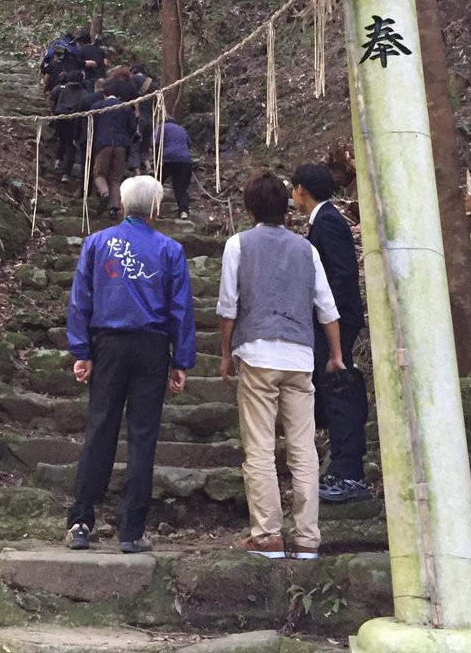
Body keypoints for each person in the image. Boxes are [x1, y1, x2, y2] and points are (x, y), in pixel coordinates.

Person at [65, 175, 196, 553]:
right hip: (152, 347)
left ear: (121, 205)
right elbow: (180, 309)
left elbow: (81, 300)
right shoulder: (169, 250)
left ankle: (80, 522)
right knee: (142, 435)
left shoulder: (96, 243)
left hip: (107, 345)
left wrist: (81, 351)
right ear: (156, 208)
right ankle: (130, 531)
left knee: (100, 427)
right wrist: (181, 359)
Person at [217, 171, 344, 560]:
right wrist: (335, 355)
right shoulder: (307, 250)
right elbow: (327, 308)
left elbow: (228, 307)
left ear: (249, 207)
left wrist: (225, 353)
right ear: (286, 206)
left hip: (257, 353)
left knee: (259, 446)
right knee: (303, 449)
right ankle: (307, 537)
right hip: (300, 356)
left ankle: (267, 534)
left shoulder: (239, 244)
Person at [291, 163, 370, 503]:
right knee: (331, 393)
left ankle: (348, 473)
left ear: (301, 190)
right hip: (330, 321)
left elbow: (341, 275)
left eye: (293, 190)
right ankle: (340, 467)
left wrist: (329, 320)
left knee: (339, 390)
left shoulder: (328, 223)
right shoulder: (324, 221)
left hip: (335, 322)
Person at [91, 81, 136, 219]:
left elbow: (92, 126)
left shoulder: (97, 106)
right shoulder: (126, 108)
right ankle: (114, 209)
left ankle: (104, 193)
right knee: (116, 178)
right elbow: (133, 127)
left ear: (104, 94)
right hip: (121, 144)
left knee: (99, 173)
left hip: (103, 142)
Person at [50, 69, 89, 183]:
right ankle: (66, 174)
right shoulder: (84, 93)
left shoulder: (60, 88)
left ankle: (58, 160)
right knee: (71, 145)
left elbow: (52, 99)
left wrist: (52, 112)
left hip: (60, 118)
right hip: (74, 121)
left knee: (61, 139)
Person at [153, 115, 193, 219]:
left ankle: (154, 209)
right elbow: (189, 144)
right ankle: (184, 211)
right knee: (181, 188)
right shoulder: (182, 129)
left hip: (167, 159)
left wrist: (157, 159)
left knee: (157, 184)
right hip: (185, 161)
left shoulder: (162, 127)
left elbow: (156, 143)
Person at [131, 65, 158, 173]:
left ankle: (137, 172)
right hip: (150, 119)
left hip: (139, 118)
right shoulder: (153, 84)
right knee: (145, 145)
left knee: (134, 144)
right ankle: (148, 167)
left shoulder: (133, 79)